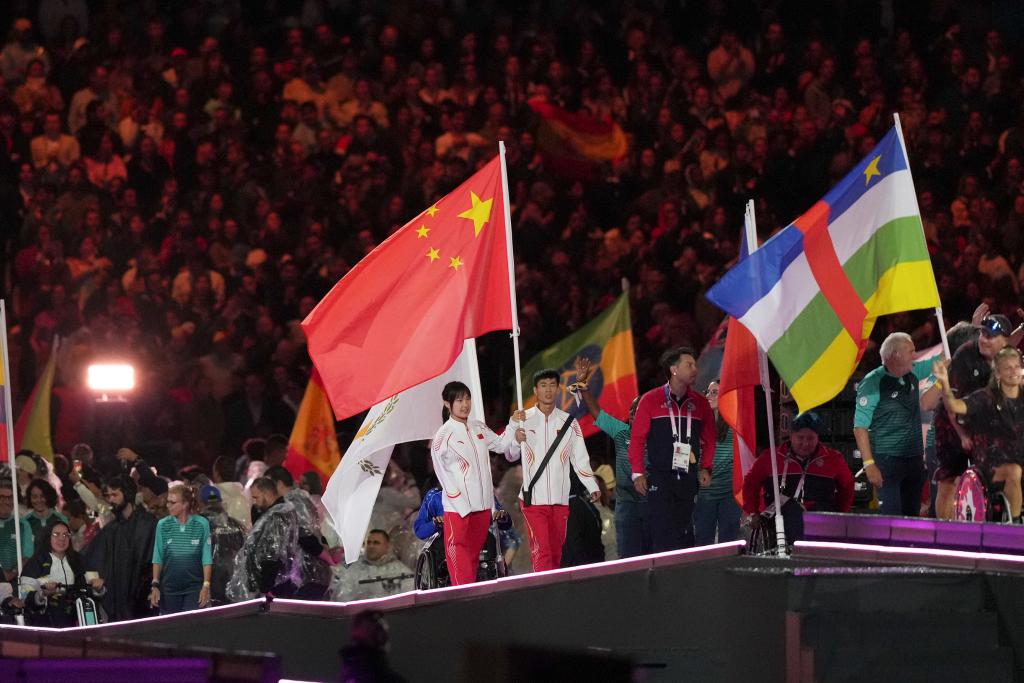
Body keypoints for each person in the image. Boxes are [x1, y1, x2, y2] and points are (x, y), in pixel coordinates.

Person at [507, 369, 600, 572]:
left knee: (557, 553)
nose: (548, 390)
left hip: (560, 498)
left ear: (558, 389)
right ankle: (544, 588)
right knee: (542, 552)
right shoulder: (523, 419)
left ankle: (552, 588)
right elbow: (510, 455)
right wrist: (515, 440)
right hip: (533, 499)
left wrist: (591, 485)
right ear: (535, 390)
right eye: (543, 385)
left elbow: (580, 458)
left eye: (552, 385)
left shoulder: (569, 422)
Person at [429, 381, 519, 585]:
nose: (465, 404)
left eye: (467, 399)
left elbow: (501, 445)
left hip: (482, 506)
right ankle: (462, 596)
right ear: (447, 404)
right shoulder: (443, 435)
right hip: (458, 509)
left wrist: (513, 424)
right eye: (459, 400)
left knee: (473, 555)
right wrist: (459, 503)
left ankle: (471, 595)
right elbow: (442, 473)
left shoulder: (478, 427)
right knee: (458, 556)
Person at [628, 347, 716, 551]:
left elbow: (710, 439)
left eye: (695, 365)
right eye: (689, 365)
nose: (695, 369)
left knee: (685, 532)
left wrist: (706, 467)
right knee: (661, 533)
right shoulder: (650, 400)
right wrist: (637, 473)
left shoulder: (701, 403)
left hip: (688, 476)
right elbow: (637, 439)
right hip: (659, 477)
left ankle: (683, 570)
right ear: (674, 369)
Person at [933, 315, 1012, 518]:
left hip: (985, 425)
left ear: (1004, 340)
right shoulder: (965, 355)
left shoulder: (1011, 360)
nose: (983, 339)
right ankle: (944, 531)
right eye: (982, 333)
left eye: (990, 336)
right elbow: (951, 402)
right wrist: (962, 435)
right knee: (949, 478)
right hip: (952, 423)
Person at [854, 332, 938, 516]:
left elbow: (943, 358)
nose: (915, 356)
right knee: (890, 517)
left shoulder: (912, 371)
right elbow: (860, 427)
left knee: (911, 516)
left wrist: (972, 329)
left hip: (914, 460)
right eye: (911, 351)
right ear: (896, 355)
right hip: (887, 462)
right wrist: (869, 464)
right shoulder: (872, 382)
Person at [575, 357, 650, 558]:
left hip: (651, 503)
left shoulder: (657, 437)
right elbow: (597, 414)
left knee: (653, 555)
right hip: (626, 505)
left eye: (638, 409)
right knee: (628, 557)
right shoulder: (621, 432)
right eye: (631, 409)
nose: (633, 413)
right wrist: (583, 387)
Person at [741, 412, 855, 544]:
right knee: (793, 512)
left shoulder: (833, 458)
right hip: (780, 515)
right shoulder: (771, 457)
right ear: (791, 436)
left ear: (818, 437)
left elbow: (847, 486)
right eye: (800, 438)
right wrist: (752, 512)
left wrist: (840, 512)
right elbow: (750, 483)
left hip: (820, 514)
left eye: (811, 438)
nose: (805, 444)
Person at [82, 476, 157, 621]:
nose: (111, 500)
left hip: (143, 602)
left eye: (115, 495)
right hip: (119, 603)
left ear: (127, 494)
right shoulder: (111, 529)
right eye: (108, 496)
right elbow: (91, 557)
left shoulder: (148, 524)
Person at [226, 477, 302, 601]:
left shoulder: (277, 516)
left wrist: (265, 588)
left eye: (256, 497)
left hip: (273, 586)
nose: (254, 502)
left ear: (266, 493)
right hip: (278, 581)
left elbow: (272, 555)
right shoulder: (282, 511)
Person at [19, 519, 106, 626]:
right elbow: (25, 597)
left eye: (66, 535)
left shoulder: (80, 559)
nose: (62, 538)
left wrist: (99, 588)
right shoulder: (35, 563)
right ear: (47, 537)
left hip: (79, 618)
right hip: (47, 621)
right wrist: (42, 594)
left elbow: (96, 590)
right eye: (56, 534)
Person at [264, 465, 330, 598]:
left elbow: (305, 535)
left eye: (268, 485)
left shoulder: (290, 503)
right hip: (308, 572)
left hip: (300, 575)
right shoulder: (300, 499)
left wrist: (326, 555)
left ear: (279, 484)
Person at [149, 485, 212, 614]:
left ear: (185, 504)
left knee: (191, 624)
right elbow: (158, 556)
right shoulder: (162, 525)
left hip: (194, 588)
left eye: (173, 502)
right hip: (169, 589)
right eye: (168, 502)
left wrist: (206, 586)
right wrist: (155, 585)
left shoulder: (202, 524)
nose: (168, 505)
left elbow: (206, 557)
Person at [693, 380, 742, 546]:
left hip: (729, 493)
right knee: (702, 542)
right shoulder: (698, 423)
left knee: (728, 544)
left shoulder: (735, 423)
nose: (708, 395)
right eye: (708, 391)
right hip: (705, 491)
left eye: (714, 392)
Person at [330, 529, 414, 601]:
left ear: (387, 546)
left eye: (376, 543)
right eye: (368, 542)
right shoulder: (354, 569)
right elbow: (342, 597)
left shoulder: (400, 571)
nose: (371, 546)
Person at [197, 485, 246, 604]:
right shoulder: (237, 525)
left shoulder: (196, 525)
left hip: (205, 585)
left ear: (201, 503)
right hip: (232, 584)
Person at [0, 480, 34, 582]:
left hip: (14, 582)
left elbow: (27, 556)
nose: (7, 502)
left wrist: (11, 573)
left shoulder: (23, 525)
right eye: (2, 497)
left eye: (10, 497)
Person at [23, 478, 68, 549]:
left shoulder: (61, 519)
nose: (38, 500)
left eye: (42, 496)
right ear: (29, 498)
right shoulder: (25, 522)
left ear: (48, 497)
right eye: (34, 497)